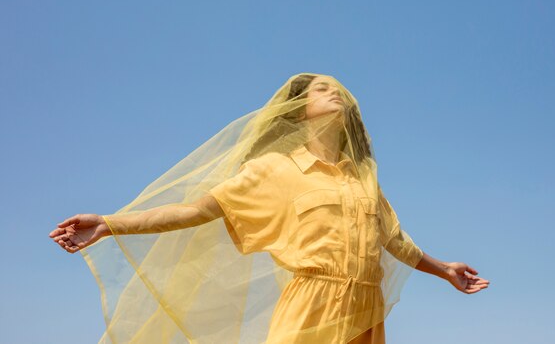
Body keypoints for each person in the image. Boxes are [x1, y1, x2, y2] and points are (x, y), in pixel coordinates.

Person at [49, 73, 489, 343]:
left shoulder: (362, 177)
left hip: (365, 312)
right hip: (310, 306)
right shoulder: (273, 170)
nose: (334, 93)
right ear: (299, 111)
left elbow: (394, 240)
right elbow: (195, 211)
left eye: (338, 90)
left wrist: (444, 269)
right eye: (321, 89)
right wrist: (109, 224)